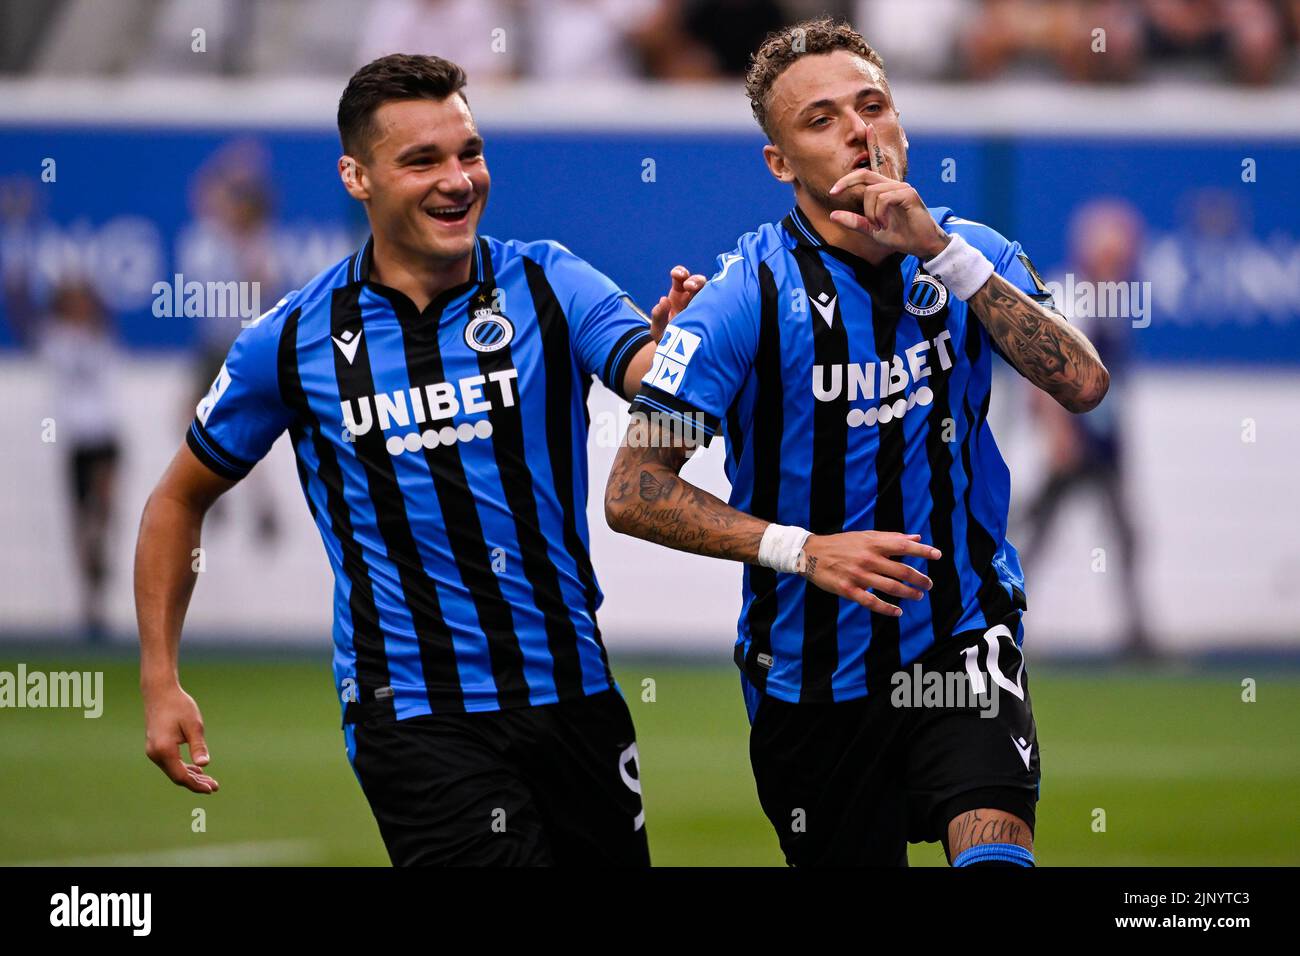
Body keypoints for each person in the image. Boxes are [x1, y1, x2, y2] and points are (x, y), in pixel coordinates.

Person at [135, 53, 704, 866]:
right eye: (422, 160)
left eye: (468, 152)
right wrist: (161, 677)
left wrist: (683, 352)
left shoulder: (547, 281)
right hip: (411, 710)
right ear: (356, 176)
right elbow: (176, 500)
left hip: (574, 689)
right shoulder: (292, 341)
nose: (458, 180)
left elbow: (650, 373)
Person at [605, 18, 1108, 867]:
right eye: (822, 120)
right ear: (782, 163)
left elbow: (1083, 384)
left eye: (873, 106)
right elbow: (633, 489)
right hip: (808, 675)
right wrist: (803, 551)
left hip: (961, 637)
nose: (859, 131)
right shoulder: (744, 300)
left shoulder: (969, 256)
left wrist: (945, 255)